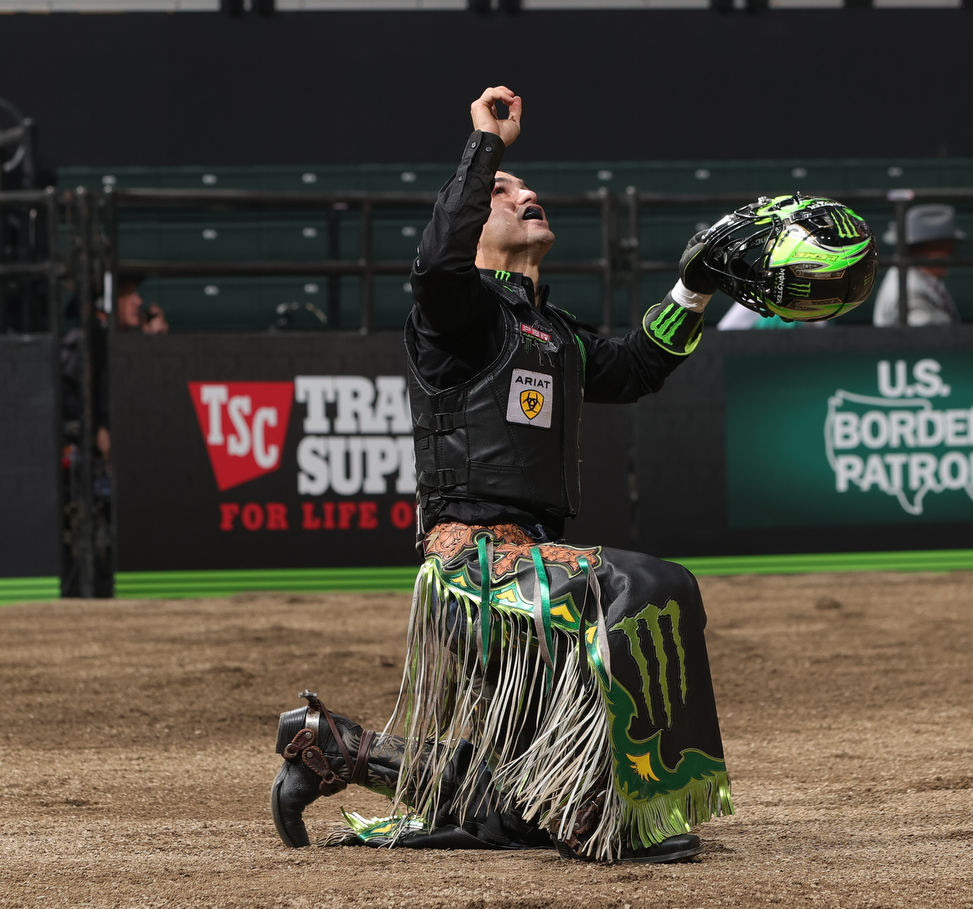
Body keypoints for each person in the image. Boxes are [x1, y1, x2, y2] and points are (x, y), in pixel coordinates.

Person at [270, 86, 732, 864]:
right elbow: (434, 265)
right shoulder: (456, 316)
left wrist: (696, 284)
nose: (526, 193)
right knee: (653, 584)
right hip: (477, 569)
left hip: (537, 570)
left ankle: (333, 747)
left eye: (524, 187)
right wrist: (487, 148)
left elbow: (640, 366)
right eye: (503, 195)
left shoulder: (553, 330)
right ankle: (597, 811)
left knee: (515, 809)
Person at [872, 203, 966, 328]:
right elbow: (924, 333)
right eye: (946, 247)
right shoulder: (908, 287)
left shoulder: (922, 277)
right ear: (928, 248)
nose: (952, 254)